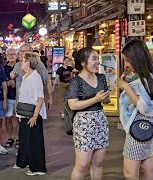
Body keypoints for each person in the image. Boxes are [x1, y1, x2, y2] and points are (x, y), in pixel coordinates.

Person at [118, 39, 153, 180]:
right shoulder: (150, 77)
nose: (126, 64)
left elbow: (143, 107)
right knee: (147, 168)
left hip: (138, 128)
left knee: (130, 173)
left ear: (137, 59)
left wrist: (125, 87)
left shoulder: (145, 79)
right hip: (148, 127)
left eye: (128, 60)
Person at [67, 47, 110, 179]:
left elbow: (105, 100)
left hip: (100, 121)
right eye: (94, 58)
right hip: (83, 124)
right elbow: (72, 104)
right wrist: (96, 99)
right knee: (82, 164)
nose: (97, 62)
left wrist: (105, 99)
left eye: (98, 58)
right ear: (83, 62)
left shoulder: (101, 77)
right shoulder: (76, 81)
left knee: (98, 162)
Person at [14, 52, 47, 176]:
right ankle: (23, 161)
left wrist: (35, 116)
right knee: (24, 138)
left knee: (34, 140)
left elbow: (40, 98)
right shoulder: (25, 76)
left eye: (23, 60)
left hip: (33, 113)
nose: (21, 62)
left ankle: (38, 167)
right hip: (24, 112)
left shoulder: (35, 77)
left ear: (28, 62)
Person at [4, 48, 19, 148]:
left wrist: (11, 82)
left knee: (18, 118)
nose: (11, 56)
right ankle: (10, 137)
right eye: (9, 54)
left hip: (19, 97)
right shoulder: (3, 68)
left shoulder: (20, 66)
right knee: (8, 118)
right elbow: (5, 83)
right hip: (8, 97)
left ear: (17, 55)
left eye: (13, 54)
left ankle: (18, 137)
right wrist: (10, 81)